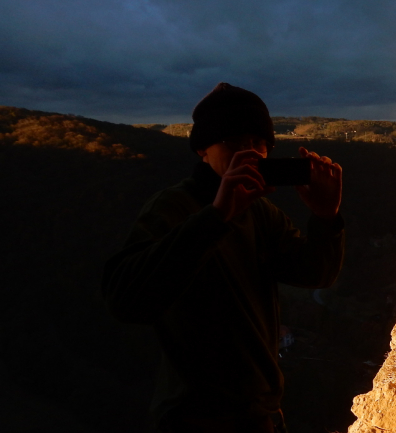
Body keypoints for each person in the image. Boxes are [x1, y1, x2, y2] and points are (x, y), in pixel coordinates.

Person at [102, 82, 345, 432]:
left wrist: (326, 218)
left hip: (261, 414)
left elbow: (315, 273)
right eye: (233, 141)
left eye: (259, 143)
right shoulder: (172, 207)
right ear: (203, 148)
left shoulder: (260, 211)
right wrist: (215, 217)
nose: (250, 152)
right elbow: (124, 300)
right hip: (195, 418)